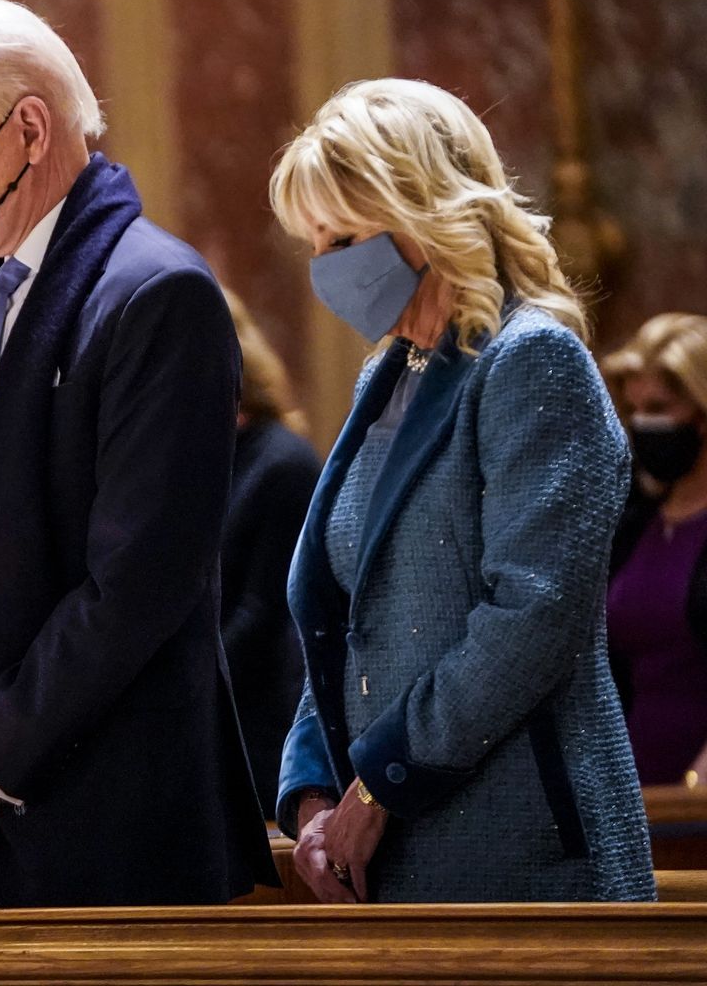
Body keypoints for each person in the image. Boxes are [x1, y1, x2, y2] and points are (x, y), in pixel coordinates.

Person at [0, 0, 273, 908]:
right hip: (11, 819)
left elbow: (139, 584)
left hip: (122, 824)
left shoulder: (155, 295)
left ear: (27, 128)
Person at [271, 78, 655, 903]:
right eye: (314, 243)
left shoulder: (532, 361)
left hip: (523, 846)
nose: (325, 269)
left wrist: (380, 780)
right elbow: (348, 617)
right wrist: (313, 787)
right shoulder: (385, 378)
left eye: (344, 238)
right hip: (398, 850)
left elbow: (532, 615)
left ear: (421, 213)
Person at [219, 291, 320, 818]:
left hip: (259, 722)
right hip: (210, 715)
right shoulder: (199, 460)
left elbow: (264, 610)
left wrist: (182, 683)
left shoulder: (283, 462)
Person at [602, 313, 707, 786]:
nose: (647, 426)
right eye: (636, 411)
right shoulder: (634, 517)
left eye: (661, 408)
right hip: (637, 785)